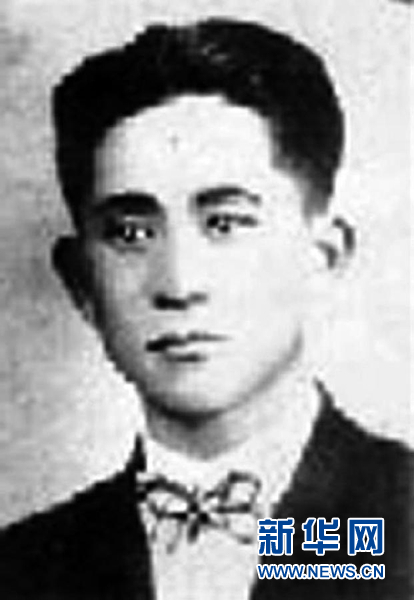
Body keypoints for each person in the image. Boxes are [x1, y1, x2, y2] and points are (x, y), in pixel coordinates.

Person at [0, 17, 410, 600]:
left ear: (322, 256)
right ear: (81, 283)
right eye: (131, 233)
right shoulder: (21, 568)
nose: (179, 283)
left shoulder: (400, 517)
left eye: (225, 223)